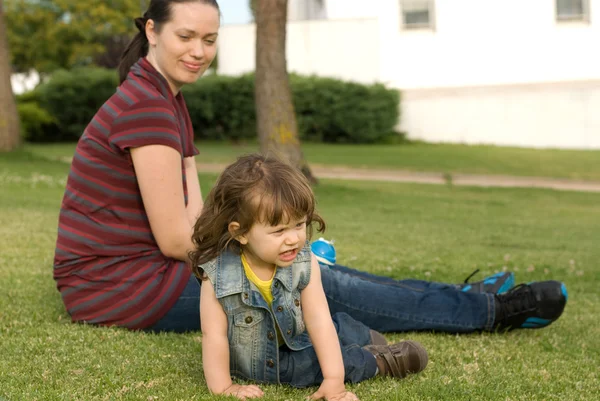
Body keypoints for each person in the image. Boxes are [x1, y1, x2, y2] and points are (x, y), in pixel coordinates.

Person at [53, 0, 568, 337]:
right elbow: (174, 239)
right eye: (186, 36)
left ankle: (465, 296)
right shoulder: (146, 105)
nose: (199, 51)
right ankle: (490, 312)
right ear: (152, 30)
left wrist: (257, 246)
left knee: (311, 269)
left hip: (145, 273)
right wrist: (257, 251)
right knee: (312, 280)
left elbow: (195, 214)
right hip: (121, 289)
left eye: (209, 40)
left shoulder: (166, 99)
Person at [189, 154, 429, 400]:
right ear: (240, 233)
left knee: (335, 327)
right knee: (307, 366)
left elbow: (318, 319)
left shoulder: (304, 261)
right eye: (279, 230)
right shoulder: (217, 275)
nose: (293, 238)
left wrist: (333, 381)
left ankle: (361, 336)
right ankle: (378, 361)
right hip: (265, 363)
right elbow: (214, 335)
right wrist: (224, 387)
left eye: (298, 225)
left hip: (299, 335)